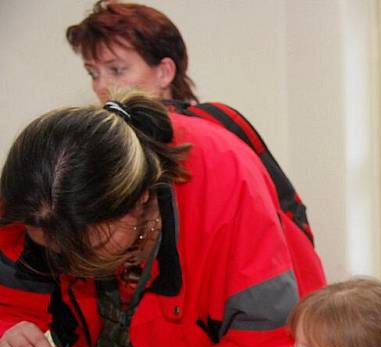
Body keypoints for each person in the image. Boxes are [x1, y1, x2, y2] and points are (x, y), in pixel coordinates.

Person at [0, 92, 322, 347]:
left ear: (140, 198)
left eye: (91, 246)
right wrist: (10, 339)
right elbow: (12, 306)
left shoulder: (225, 182)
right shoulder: (38, 198)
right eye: (51, 248)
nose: (69, 264)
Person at [65, 1, 322, 295]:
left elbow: (289, 214)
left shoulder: (219, 129)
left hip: (240, 308)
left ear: (164, 72)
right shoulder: (102, 150)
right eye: (93, 73)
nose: (102, 86)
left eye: (117, 69)